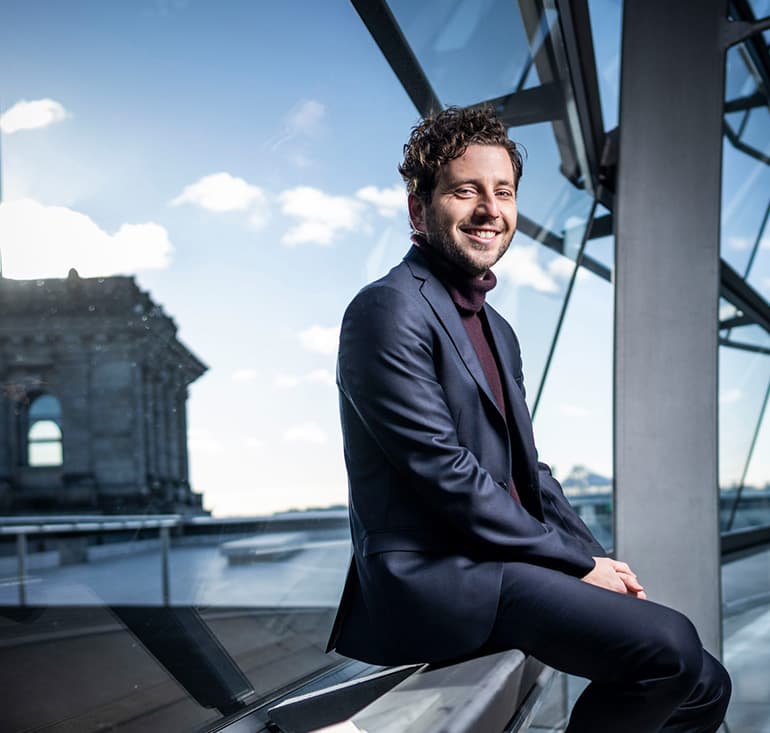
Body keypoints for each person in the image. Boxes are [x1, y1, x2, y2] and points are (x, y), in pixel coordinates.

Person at [326, 106, 731, 731]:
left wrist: (597, 559)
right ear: (418, 210)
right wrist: (575, 567)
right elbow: (444, 473)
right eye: (466, 191)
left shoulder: (497, 329)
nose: (490, 209)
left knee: (707, 684)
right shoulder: (386, 309)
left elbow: (529, 471)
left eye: (504, 192)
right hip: (436, 576)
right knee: (672, 648)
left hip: (496, 563)